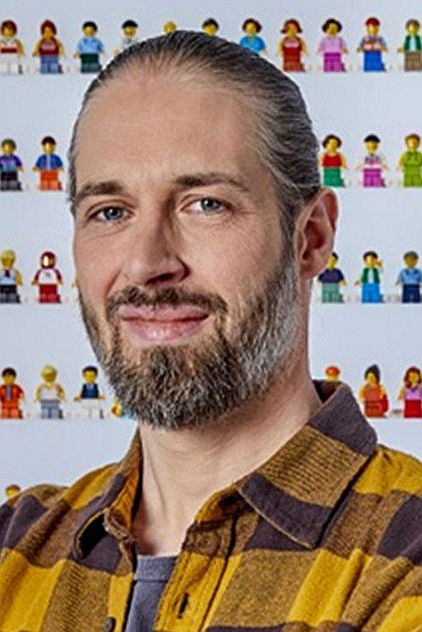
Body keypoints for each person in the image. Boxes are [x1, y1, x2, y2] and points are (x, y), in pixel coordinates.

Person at [0, 31, 420, 632]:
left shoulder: (406, 552)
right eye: (110, 212)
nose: (146, 263)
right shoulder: (14, 547)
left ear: (311, 238)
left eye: (205, 204)